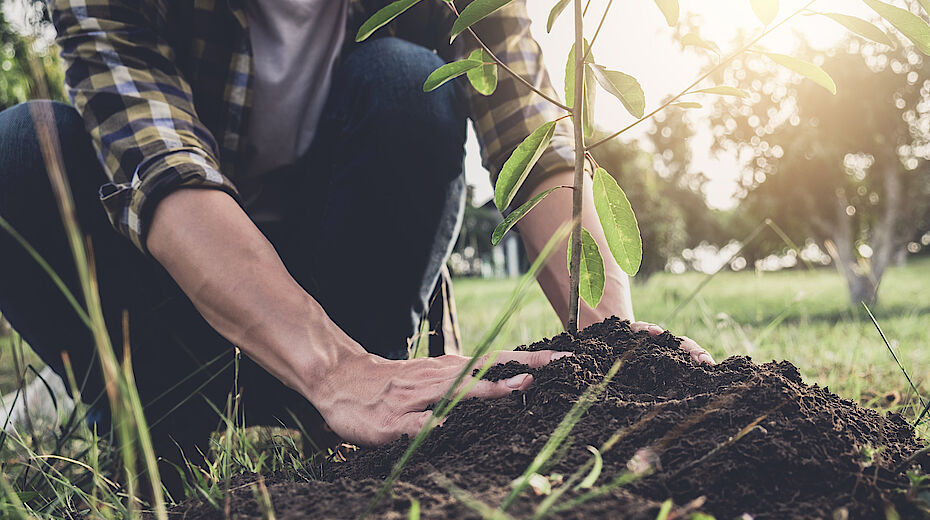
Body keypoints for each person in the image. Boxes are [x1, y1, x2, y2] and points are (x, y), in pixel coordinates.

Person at [0, 0, 713, 472]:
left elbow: (527, 125)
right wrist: (333, 370)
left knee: (408, 79)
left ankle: (359, 413)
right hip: (174, 302)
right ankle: (156, 421)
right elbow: (161, 171)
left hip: (347, 291)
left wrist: (612, 347)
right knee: (18, 149)